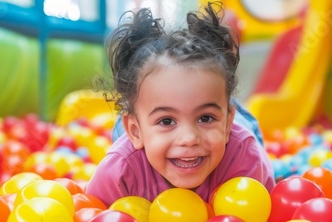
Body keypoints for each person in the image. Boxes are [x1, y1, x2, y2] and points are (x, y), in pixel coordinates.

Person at [86, 2, 275, 207]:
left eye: (205, 118)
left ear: (227, 124)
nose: (189, 139)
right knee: (126, 127)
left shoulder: (244, 158)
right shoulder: (119, 171)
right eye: (167, 121)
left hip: (237, 126)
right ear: (135, 131)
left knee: (242, 127)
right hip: (137, 137)